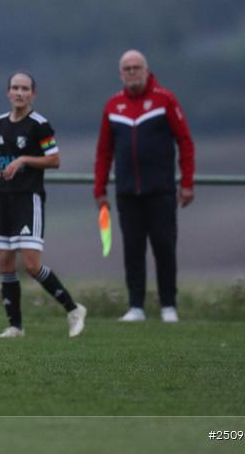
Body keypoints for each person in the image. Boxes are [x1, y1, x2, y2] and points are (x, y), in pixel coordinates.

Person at [0, 72, 86, 338]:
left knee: (32, 265)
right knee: (5, 262)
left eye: (25, 88)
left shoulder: (39, 125)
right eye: (15, 88)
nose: (19, 92)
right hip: (5, 201)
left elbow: (54, 159)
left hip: (28, 198)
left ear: (33, 94)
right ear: (8, 93)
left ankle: (73, 309)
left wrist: (23, 160)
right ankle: (15, 327)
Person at [94, 50, 194, 323]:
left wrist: (186, 182)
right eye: (127, 69)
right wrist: (99, 189)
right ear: (120, 74)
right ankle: (136, 306)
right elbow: (104, 151)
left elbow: (184, 141)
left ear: (147, 70)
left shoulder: (165, 100)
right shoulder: (113, 106)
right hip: (127, 193)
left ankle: (168, 306)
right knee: (133, 250)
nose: (132, 73)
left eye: (136, 68)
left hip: (160, 191)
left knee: (164, 247)